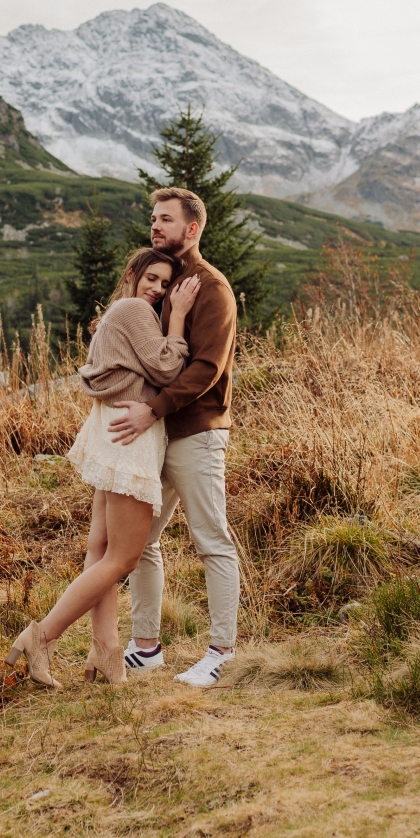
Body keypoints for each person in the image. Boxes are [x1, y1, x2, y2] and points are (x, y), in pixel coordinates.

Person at [5, 248, 202, 688]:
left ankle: (107, 652)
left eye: (165, 284)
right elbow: (168, 368)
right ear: (132, 275)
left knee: (101, 548)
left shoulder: (123, 312)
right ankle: (42, 637)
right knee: (124, 557)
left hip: (114, 429)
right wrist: (178, 316)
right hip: (130, 436)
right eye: (151, 278)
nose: (157, 289)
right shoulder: (134, 309)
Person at [109, 187, 241, 687]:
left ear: (193, 228)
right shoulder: (162, 284)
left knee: (211, 539)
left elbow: (207, 368)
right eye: (152, 218)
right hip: (157, 433)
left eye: (165, 219)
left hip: (196, 433)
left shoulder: (213, 289)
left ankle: (222, 652)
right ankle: (146, 648)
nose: (155, 226)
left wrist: (152, 410)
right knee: (141, 540)